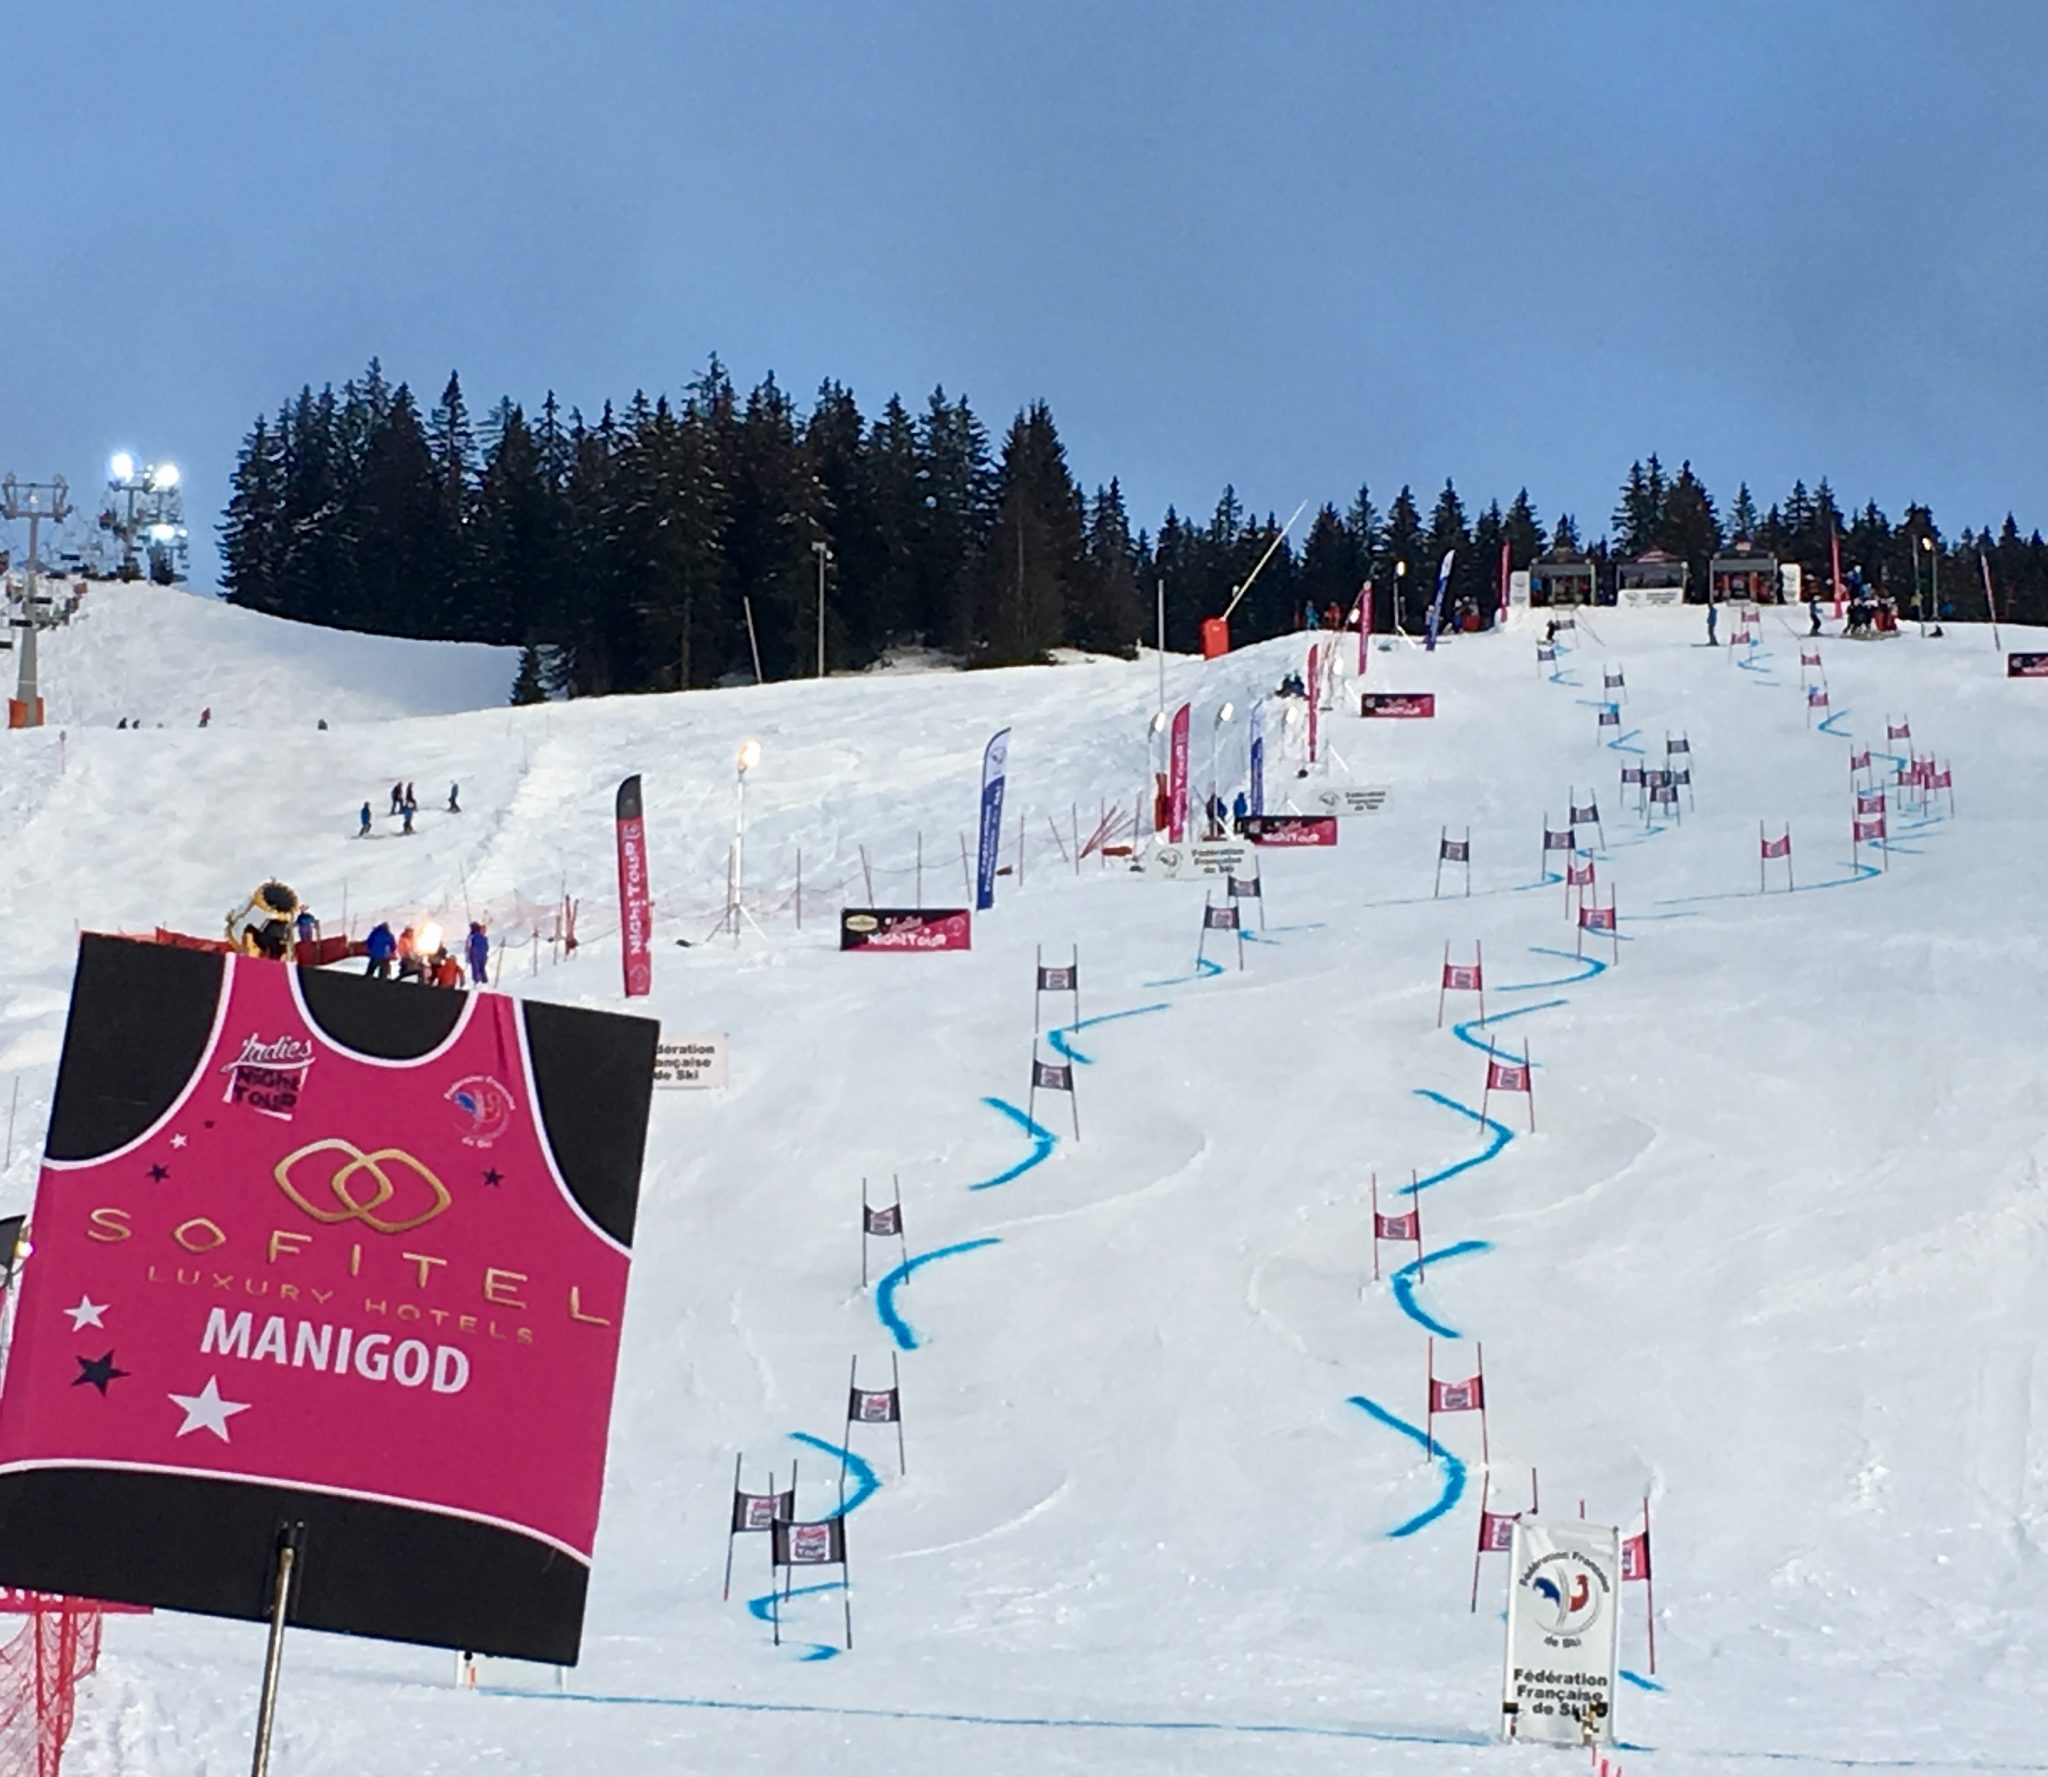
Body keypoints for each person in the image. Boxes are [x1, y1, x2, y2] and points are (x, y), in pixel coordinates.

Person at [466, 921, 490, 986]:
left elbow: (468, 947)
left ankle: (479, 982)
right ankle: (482, 982)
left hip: (477, 955)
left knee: (477, 969)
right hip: (479, 955)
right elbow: (487, 948)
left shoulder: (472, 936)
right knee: (480, 969)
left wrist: (468, 956)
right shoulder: (481, 938)